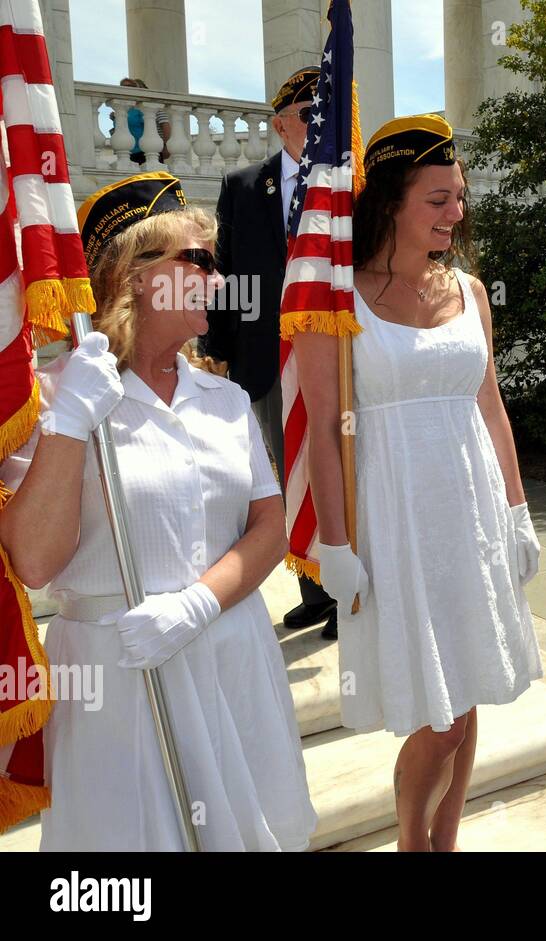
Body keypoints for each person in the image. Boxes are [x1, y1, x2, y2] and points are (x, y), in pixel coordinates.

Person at [0, 172, 317, 850]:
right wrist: (67, 427)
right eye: (197, 258)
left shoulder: (223, 397)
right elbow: (32, 558)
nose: (218, 274)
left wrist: (198, 604)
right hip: (117, 679)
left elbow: (269, 525)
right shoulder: (54, 400)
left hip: (229, 653)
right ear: (135, 275)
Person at [290, 114, 543, 853]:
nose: (456, 213)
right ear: (392, 201)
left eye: (459, 197)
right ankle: (413, 843)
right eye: (438, 199)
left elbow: (490, 405)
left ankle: (447, 839)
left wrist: (519, 510)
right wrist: (333, 543)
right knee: (439, 712)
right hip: (396, 518)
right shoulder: (337, 300)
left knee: (466, 691)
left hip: (472, 514)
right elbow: (329, 430)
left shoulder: (469, 288)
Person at [197, 67, 337, 637]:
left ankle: (347, 584)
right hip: (266, 354)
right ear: (281, 125)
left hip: (336, 350)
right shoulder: (243, 186)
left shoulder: (347, 182)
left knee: (342, 462)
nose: (318, 120)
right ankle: (314, 587)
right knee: (285, 468)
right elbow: (226, 274)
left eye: (323, 110)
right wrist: (217, 348)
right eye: (308, 113)